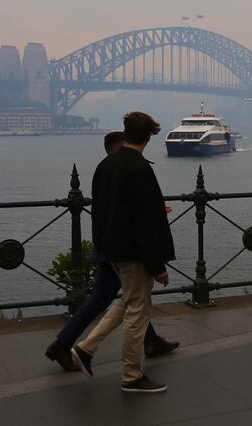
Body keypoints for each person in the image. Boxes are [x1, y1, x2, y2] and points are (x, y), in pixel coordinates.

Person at [45, 131, 179, 372]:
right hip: (123, 248)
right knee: (128, 298)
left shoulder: (106, 169)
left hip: (106, 246)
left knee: (113, 297)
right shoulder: (129, 168)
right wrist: (157, 263)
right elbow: (133, 213)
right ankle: (71, 346)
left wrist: (156, 209)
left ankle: (150, 341)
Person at [70, 112, 175, 394]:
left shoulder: (106, 165)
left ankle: (85, 348)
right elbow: (144, 223)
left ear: (126, 132)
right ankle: (131, 375)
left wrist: (103, 246)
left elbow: (103, 211)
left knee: (128, 301)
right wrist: (158, 266)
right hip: (134, 253)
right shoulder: (139, 169)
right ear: (149, 136)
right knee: (138, 313)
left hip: (111, 250)